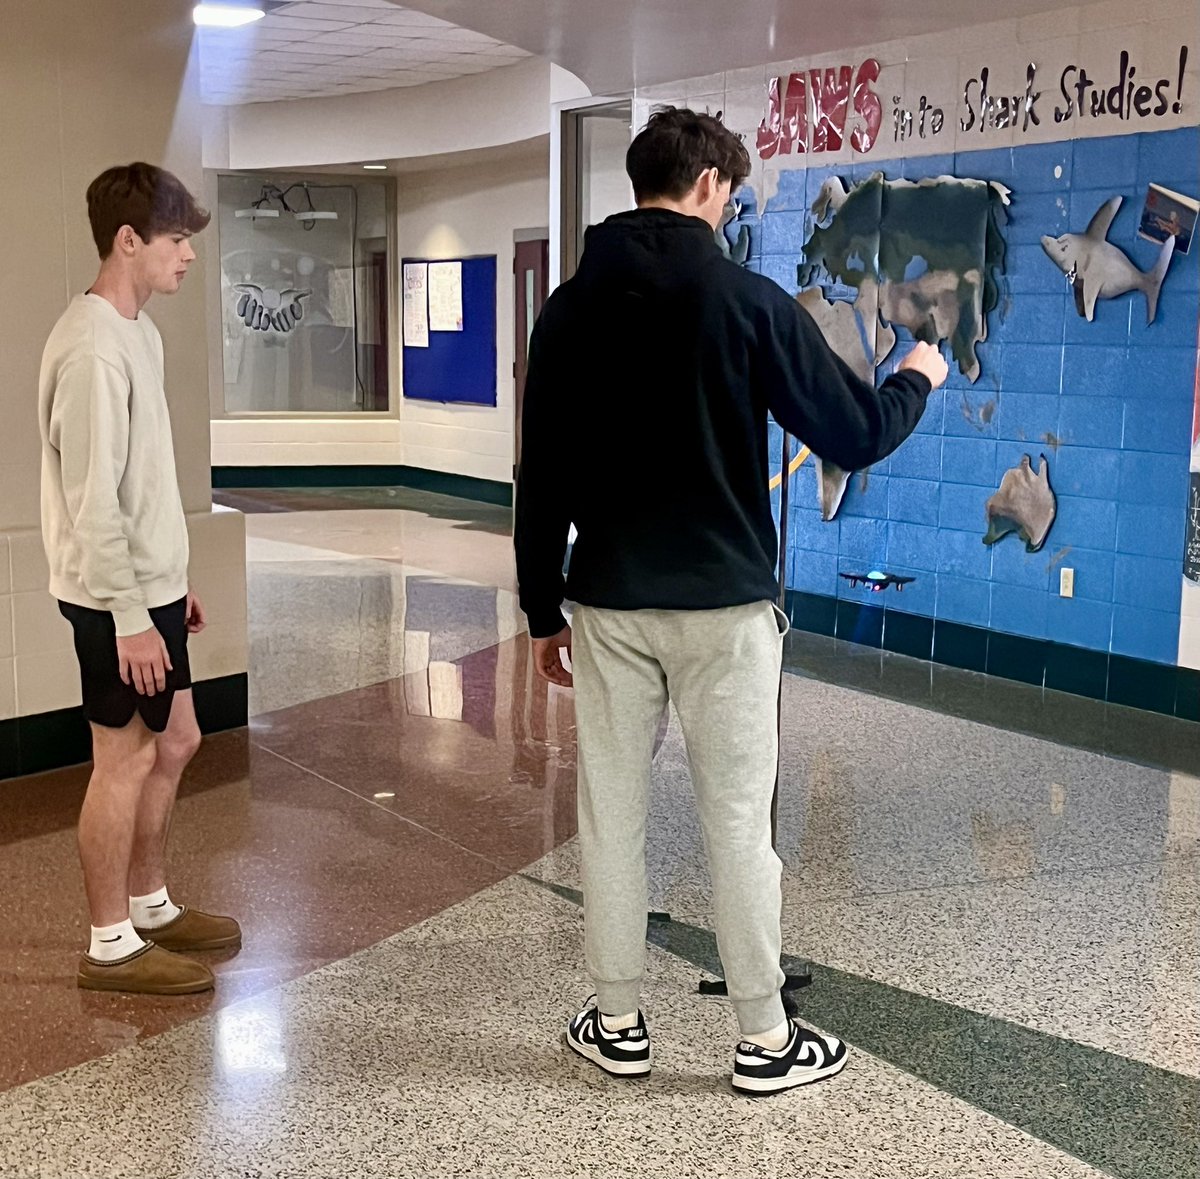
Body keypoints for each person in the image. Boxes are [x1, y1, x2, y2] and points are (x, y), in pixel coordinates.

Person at [514, 108, 948, 1095]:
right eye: (732, 192)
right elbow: (854, 434)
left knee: (612, 815)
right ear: (709, 184)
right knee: (737, 822)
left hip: (609, 606)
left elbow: (542, 476)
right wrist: (914, 379)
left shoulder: (569, 310)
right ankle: (764, 1037)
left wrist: (543, 610)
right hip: (727, 614)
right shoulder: (748, 302)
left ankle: (617, 1022)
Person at [39, 163, 240, 996]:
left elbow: (142, 482)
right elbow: (92, 503)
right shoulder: (92, 348)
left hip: (148, 585)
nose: (187, 254)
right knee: (121, 760)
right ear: (129, 240)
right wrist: (128, 613)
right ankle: (109, 942)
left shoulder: (139, 335)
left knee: (179, 738)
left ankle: (150, 905)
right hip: (108, 597)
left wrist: (171, 580)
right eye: (176, 238)